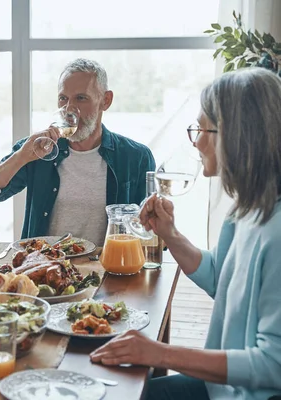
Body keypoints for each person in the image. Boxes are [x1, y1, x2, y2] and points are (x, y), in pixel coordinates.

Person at [89, 68, 281, 399]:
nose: (197, 140)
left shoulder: (276, 233)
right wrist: (171, 235)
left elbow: (273, 366)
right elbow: (222, 280)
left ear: (239, 137)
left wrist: (159, 353)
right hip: (220, 388)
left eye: (204, 128)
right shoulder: (244, 211)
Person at [0, 58, 155, 245]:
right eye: (63, 98)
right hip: (42, 269)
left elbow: (151, 233)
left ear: (105, 100)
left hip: (108, 270)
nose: (69, 109)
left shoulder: (136, 157)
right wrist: (21, 156)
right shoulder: (37, 150)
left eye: (81, 98)